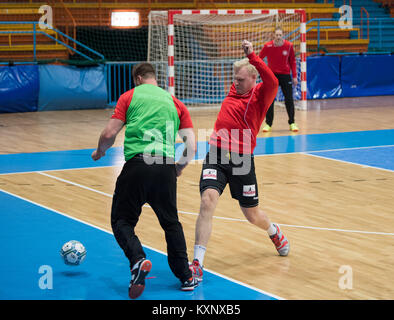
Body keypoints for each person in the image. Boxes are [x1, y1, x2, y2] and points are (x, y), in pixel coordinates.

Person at [91, 62, 198, 299]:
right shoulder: (175, 102)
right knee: (171, 223)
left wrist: (100, 152)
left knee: (121, 220)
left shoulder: (129, 96)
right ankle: (186, 276)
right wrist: (178, 168)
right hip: (164, 167)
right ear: (154, 78)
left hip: (138, 165)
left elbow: (109, 133)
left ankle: (138, 259)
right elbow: (191, 146)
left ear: (138, 78)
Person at [189, 40, 290, 282]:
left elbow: (273, 81)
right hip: (216, 152)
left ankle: (274, 231)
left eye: (241, 79)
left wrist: (254, 56)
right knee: (207, 200)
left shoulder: (261, 95)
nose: (236, 82)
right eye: (235, 78)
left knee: (252, 214)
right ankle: (196, 263)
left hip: (242, 159)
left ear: (253, 79)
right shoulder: (235, 90)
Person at [259, 27, 299, 132]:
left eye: (280, 35)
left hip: (285, 75)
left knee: (289, 99)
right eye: (276, 35)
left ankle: (292, 122)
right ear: (274, 36)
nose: (278, 37)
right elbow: (259, 58)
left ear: (283, 35)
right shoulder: (267, 46)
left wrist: (294, 76)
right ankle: (268, 124)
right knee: (270, 100)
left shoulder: (289, 46)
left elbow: (293, 62)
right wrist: (262, 71)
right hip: (272, 76)